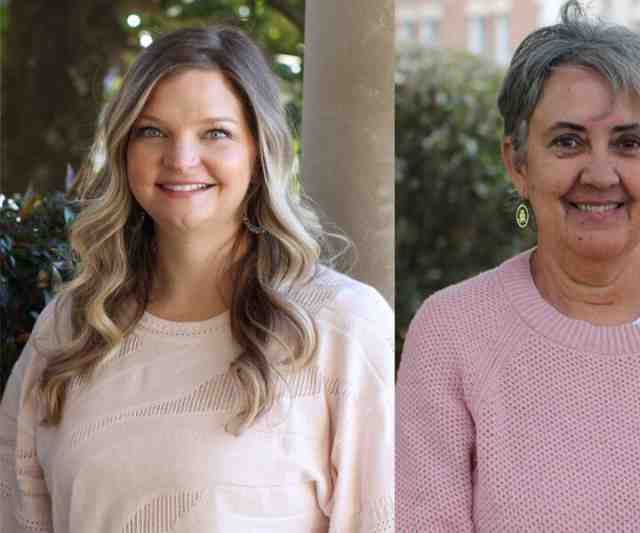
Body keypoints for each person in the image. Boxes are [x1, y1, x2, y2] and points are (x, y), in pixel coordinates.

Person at [396, 1, 640, 531]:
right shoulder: (453, 334)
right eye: (568, 142)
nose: (601, 173)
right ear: (517, 164)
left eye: (628, 142)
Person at [0, 26, 394, 533]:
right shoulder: (70, 331)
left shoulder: (342, 328)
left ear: (260, 152)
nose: (181, 159)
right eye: (152, 131)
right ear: (124, 149)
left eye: (215, 133)